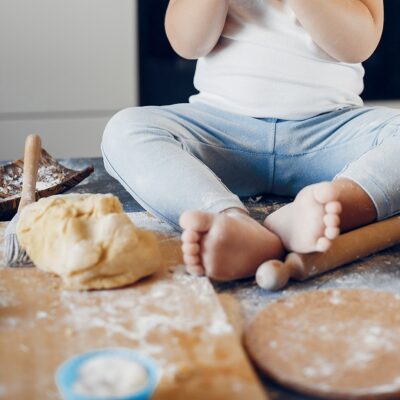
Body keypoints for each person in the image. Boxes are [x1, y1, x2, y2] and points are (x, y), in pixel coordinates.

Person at [102, 0, 395, 281]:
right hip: (222, 135)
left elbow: (358, 45)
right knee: (125, 129)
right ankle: (227, 221)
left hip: (329, 133)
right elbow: (187, 43)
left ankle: (327, 206)